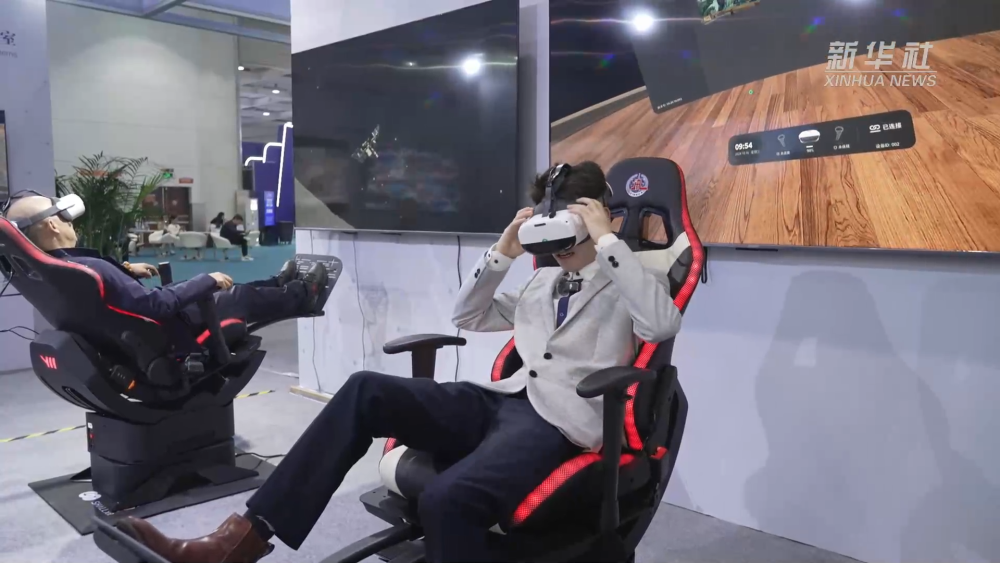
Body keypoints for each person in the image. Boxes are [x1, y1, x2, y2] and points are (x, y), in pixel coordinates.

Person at [113, 162, 682, 563]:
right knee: (365, 389)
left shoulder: (632, 279)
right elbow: (468, 315)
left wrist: (608, 242)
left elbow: (660, 326)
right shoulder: (544, 281)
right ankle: (237, 544)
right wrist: (503, 252)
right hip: (505, 399)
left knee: (447, 498)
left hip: (558, 423)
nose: (559, 247)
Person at [5, 196, 328, 353]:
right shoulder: (90, 270)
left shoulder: (58, 273)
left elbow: (104, 293)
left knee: (231, 290)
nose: (70, 223)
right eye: (64, 217)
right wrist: (205, 279)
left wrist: (124, 271)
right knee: (237, 295)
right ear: (52, 225)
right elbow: (155, 305)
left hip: (133, 338)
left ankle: (277, 284)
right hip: (169, 331)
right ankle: (303, 294)